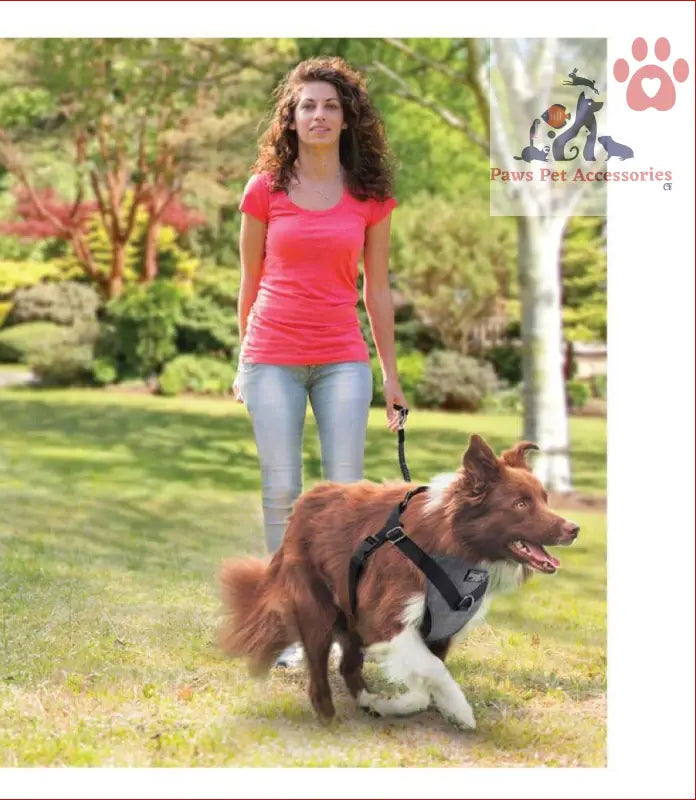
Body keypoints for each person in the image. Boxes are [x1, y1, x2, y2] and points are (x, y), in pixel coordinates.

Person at [233, 57, 407, 667]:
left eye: (330, 105)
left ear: (347, 116)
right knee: (282, 491)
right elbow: (249, 282)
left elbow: (376, 291)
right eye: (307, 104)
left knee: (346, 497)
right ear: (292, 116)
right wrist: (242, 361)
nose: (318, 114)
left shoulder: (370, 198)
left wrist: (390, 376)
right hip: (272, 356)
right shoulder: (264, 190)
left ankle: (344, 627)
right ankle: (290, 623)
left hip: (341, 359)